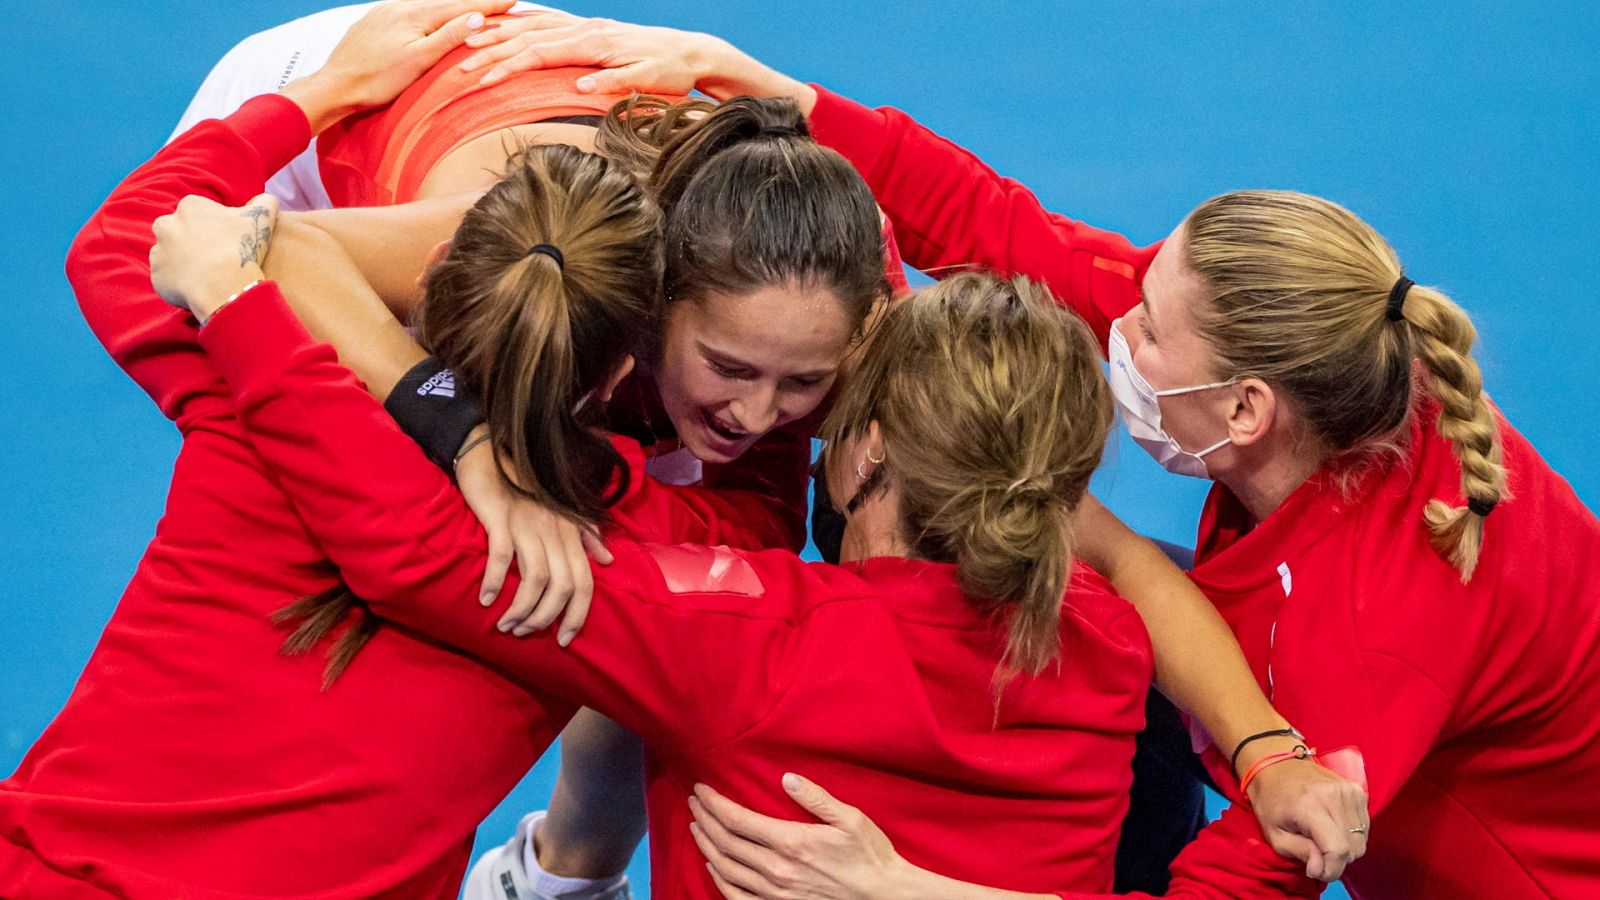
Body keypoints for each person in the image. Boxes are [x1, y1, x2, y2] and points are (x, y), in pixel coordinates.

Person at [174, 8, 1370, 897]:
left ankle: (563, 858)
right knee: (357, 485)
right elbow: (256, 251)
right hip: (352, 150)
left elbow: (1117, 567)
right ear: (652, 313)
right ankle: (560, 868)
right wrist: (468, 438)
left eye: (804, 385)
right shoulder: (556, 250)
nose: (758, 416)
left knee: (686, 643)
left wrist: (1264, 755)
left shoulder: (889, 361)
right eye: (731, 372)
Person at [469, 16, 1600, 899]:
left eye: (1148, 325)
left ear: (1247, 408)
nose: (1117, 318)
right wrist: (788, 98)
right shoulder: (1330, 365)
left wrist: (913, 893)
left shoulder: (1364, 641)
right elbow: (1014, 232)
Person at [0, 4, 795, 896]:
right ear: (622, 367)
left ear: (426, 273)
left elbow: (131, 240)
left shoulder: (253, 396)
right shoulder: (599, 552)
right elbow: (758, 523)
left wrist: (331, 90)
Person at [156, 213, 1168, 896]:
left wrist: (243, 309)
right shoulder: (1118, 645)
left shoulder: (748, 637)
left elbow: (414, 554)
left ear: (869, 445)